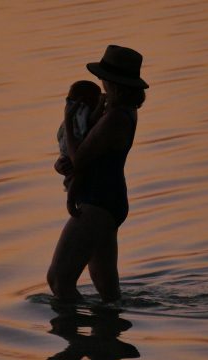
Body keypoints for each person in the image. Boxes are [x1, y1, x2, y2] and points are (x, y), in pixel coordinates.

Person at [47, 45, 149, 303]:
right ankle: (107, 338)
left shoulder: (115, 117)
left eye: (104, 79)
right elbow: (87, 156)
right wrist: (62, 165)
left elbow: (79, 158)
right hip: (107, 201)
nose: (101, 84)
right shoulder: (116, 112)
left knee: (59, 280)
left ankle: (78, 342)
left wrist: (68, 120)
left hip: (98, 202)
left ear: (116, 84)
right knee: (107, 291)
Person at [56, 80, 103, 191]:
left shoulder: (70, 115)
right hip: (72, 150)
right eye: (97, 98)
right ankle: (71, 199)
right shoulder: (82, 111)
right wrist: (101, 104)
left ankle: (71, 199)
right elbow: (90, 121)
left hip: (67, 153)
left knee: (73, 179)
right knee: (75, 179)